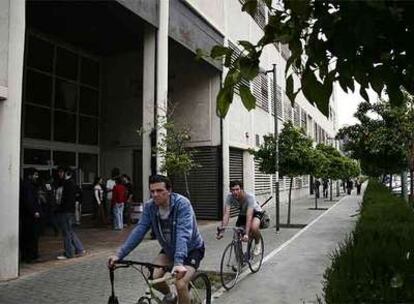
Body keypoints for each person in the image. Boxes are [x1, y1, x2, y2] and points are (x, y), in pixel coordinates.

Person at [108, 175, 205, 304]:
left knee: (180, 283)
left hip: (191, 249)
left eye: (159, 191)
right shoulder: (150, 207)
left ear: (169, 191)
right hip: (169, 249)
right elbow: (140, 230)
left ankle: (184, 294)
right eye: (152, 191)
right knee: (154, 279)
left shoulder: (182, 204)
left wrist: (178, 262)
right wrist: (119, 255)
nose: (155, 195)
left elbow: (183, 233)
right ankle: (173, 297)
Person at [216, 180, 263, 256]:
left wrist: (246, 234)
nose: (235, 192)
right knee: (238, 232)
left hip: (255, 212)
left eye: (237, 189)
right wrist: (222, 231)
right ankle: (242, 257)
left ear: (241, 189)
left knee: (254, 227)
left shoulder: (249, 197)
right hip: (243, 213)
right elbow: (226, 214)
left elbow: (249, 216)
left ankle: (258, 243)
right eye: (232, 190)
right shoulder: (229, 197)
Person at [55, 168, 86, 260]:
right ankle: (79, 248)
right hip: (69, 210)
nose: (59, 174)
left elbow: (64, 199)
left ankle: (69, 253)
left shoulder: (67, 184)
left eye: (61, 172)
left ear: (65, 173)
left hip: (66, 211)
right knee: (70, 230)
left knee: (66, 232)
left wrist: (60, 208)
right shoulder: (72, 183)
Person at [20, 168, 42, 263]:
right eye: (35, 175)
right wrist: (34, 211)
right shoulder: (28, 186)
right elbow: (29, 200)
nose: (37, 177)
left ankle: (31, 255)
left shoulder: (29, 185)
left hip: (28, 215)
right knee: (30, 236)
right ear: (30, 175)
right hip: (29, 216)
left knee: (30, 236)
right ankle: (30, 256)